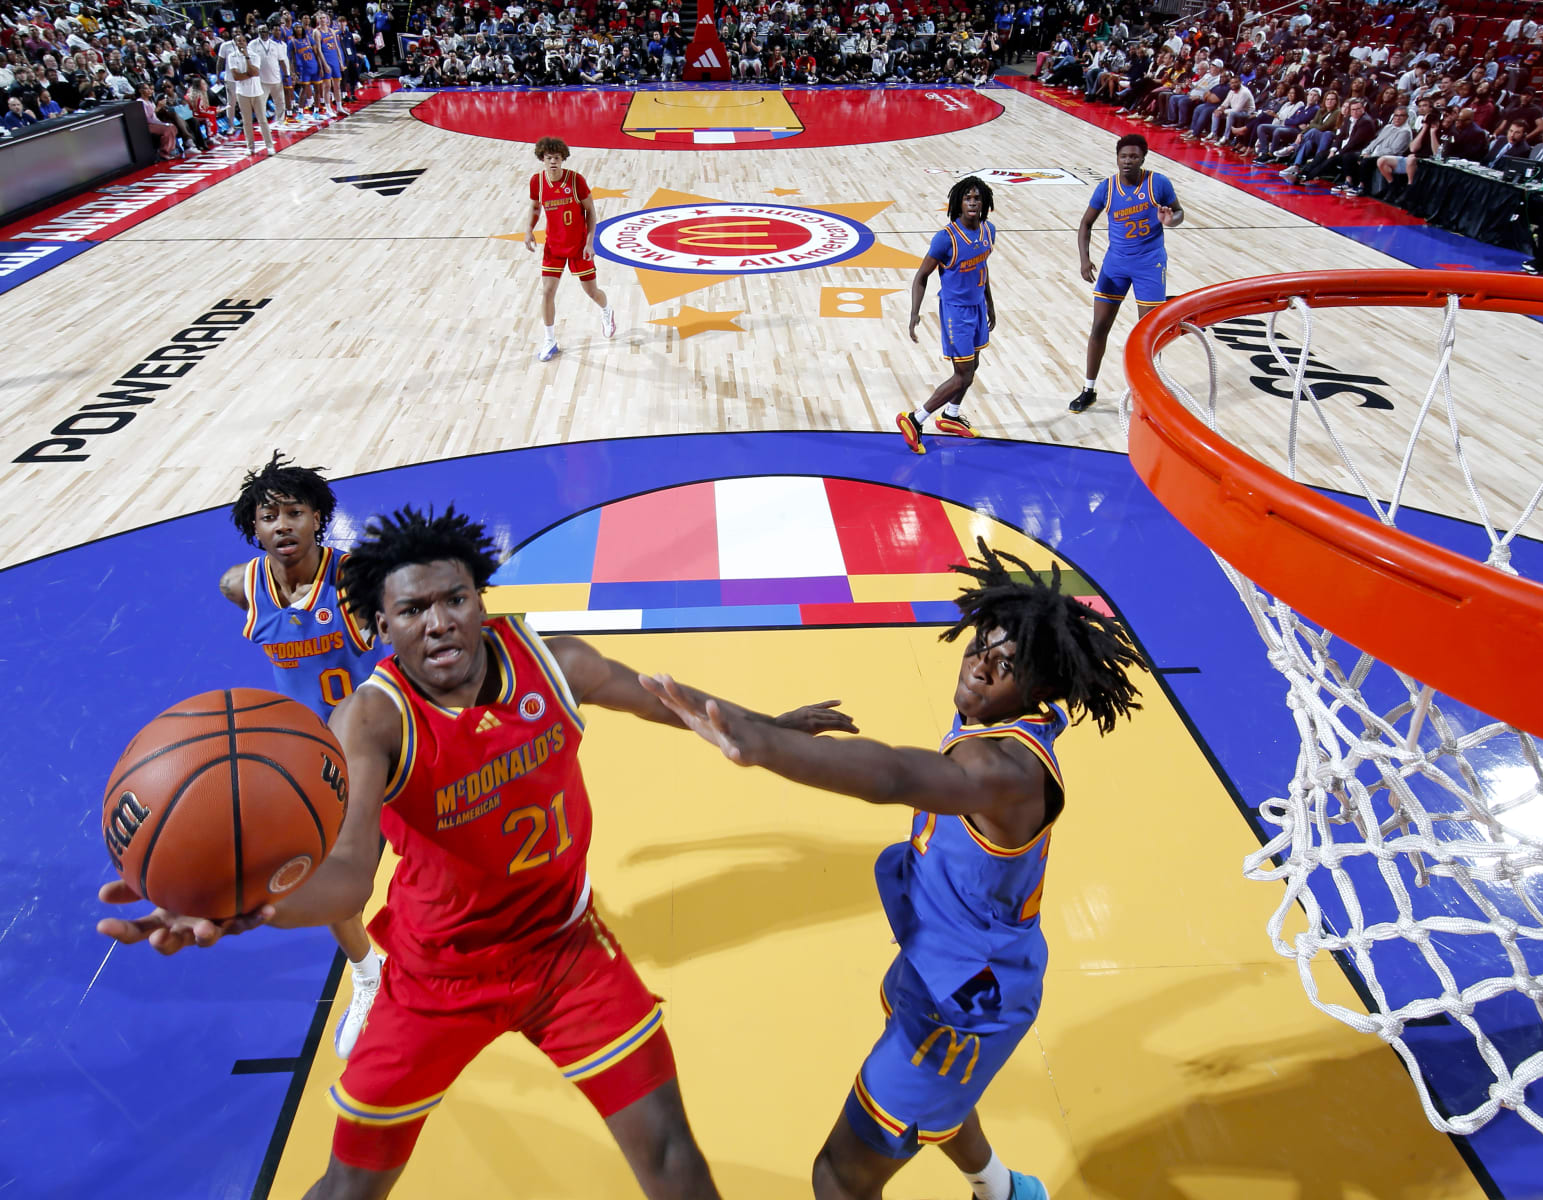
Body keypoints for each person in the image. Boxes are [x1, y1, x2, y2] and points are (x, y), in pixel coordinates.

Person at [101, 505, 856, 1199]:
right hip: (438, 974)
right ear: (380, 626)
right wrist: (243, 909)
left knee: (672, 1156)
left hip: (565, 951)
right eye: (412, 610)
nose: (438, 624)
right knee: (347, 1190)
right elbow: (348, 879)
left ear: (481, 601)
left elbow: (677, 703)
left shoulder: (559, 665)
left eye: (453, 600)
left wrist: (771, 726)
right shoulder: (371, 719)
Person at [641, 540, 1147, 1200]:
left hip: (965, 1003)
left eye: (1006, 663)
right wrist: (774, 727)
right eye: (979, 647)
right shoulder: (1001, 717)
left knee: (838, 1178)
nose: (981, 668)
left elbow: (893, 774)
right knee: (932, 1102)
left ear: (1043, 688)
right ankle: (1004, 1191)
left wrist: (768, 748)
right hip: (951, 961)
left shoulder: (1005, 772)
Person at [217, 451, 387, 1058]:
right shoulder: (242, 586)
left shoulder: (355, 581)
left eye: (295, 512)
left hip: (383, 740)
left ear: (319, 519)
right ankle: (370, 975)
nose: (283, 524)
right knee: (325, 875)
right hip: (314, 757)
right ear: (253, 527)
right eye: (270, 515)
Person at [1071, 133, 1183, 414]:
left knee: (1148, 334)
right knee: (1099, 327)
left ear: (1143, 158)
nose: (1128, 161)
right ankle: (1089, 388)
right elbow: (1085, 224)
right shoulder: (1106, 188)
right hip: (1116, 264)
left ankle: (1148, 391)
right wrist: (1085, 259)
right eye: (1123, 156)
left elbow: (1179, 213)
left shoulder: (1159, 183)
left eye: (1134, 156)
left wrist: (1171, 221)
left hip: (1149, 264)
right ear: (1117, 158)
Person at [898, 176, 996, 454]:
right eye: (968, 198)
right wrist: (914, 313)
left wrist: (990, 302)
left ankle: (951, 416)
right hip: (956, 313)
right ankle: (915, 419)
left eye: (977, 198)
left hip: (977, 307)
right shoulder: (946, 238)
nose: (973, 202)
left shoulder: (989, 231)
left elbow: (983, 268)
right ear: (958, 203)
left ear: (984, 202)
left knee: (972, 367)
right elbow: (921, 277)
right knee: (962, 374)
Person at [523, 136, 617, 361]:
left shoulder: (576, 181)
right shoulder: (537, 182)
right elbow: (535, 207)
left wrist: (590, 242)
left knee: (592, 292)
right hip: (554, 246)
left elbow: (591, 213)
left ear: (563, 159)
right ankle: (549, 340)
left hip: (578, 246)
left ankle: (607, 311)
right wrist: (528, 230)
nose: (553, 162)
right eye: (549, 158)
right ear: (542, 160)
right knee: (547, 292)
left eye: (557, 158)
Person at [226, 31, 275, 155]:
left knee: (262, 120)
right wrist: (248, 73)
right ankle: (250, 147)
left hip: (257, 92)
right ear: (235, 43)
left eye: (243, 40)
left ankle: (269, 146)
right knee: (246, 121)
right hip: (242, 93)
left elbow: (254, 73)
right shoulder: (232, 56)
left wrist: (247, 57)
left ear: (246, 42)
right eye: (238, 41)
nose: (241, 43)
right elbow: (236, 76)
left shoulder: (254, 55)